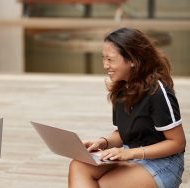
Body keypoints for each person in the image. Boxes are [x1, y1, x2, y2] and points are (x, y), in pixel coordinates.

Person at [68, 27, 186, 188]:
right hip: (129, 154)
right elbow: (123, 133)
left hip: (162, 163)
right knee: (78, 165)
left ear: (132, 60)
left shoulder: (158, 92)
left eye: (110, 59)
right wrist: (102, 142)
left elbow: (177, 143)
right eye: (103, 59)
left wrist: (130, 153)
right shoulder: (121, 89)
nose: (105, 65)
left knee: (103, 185)